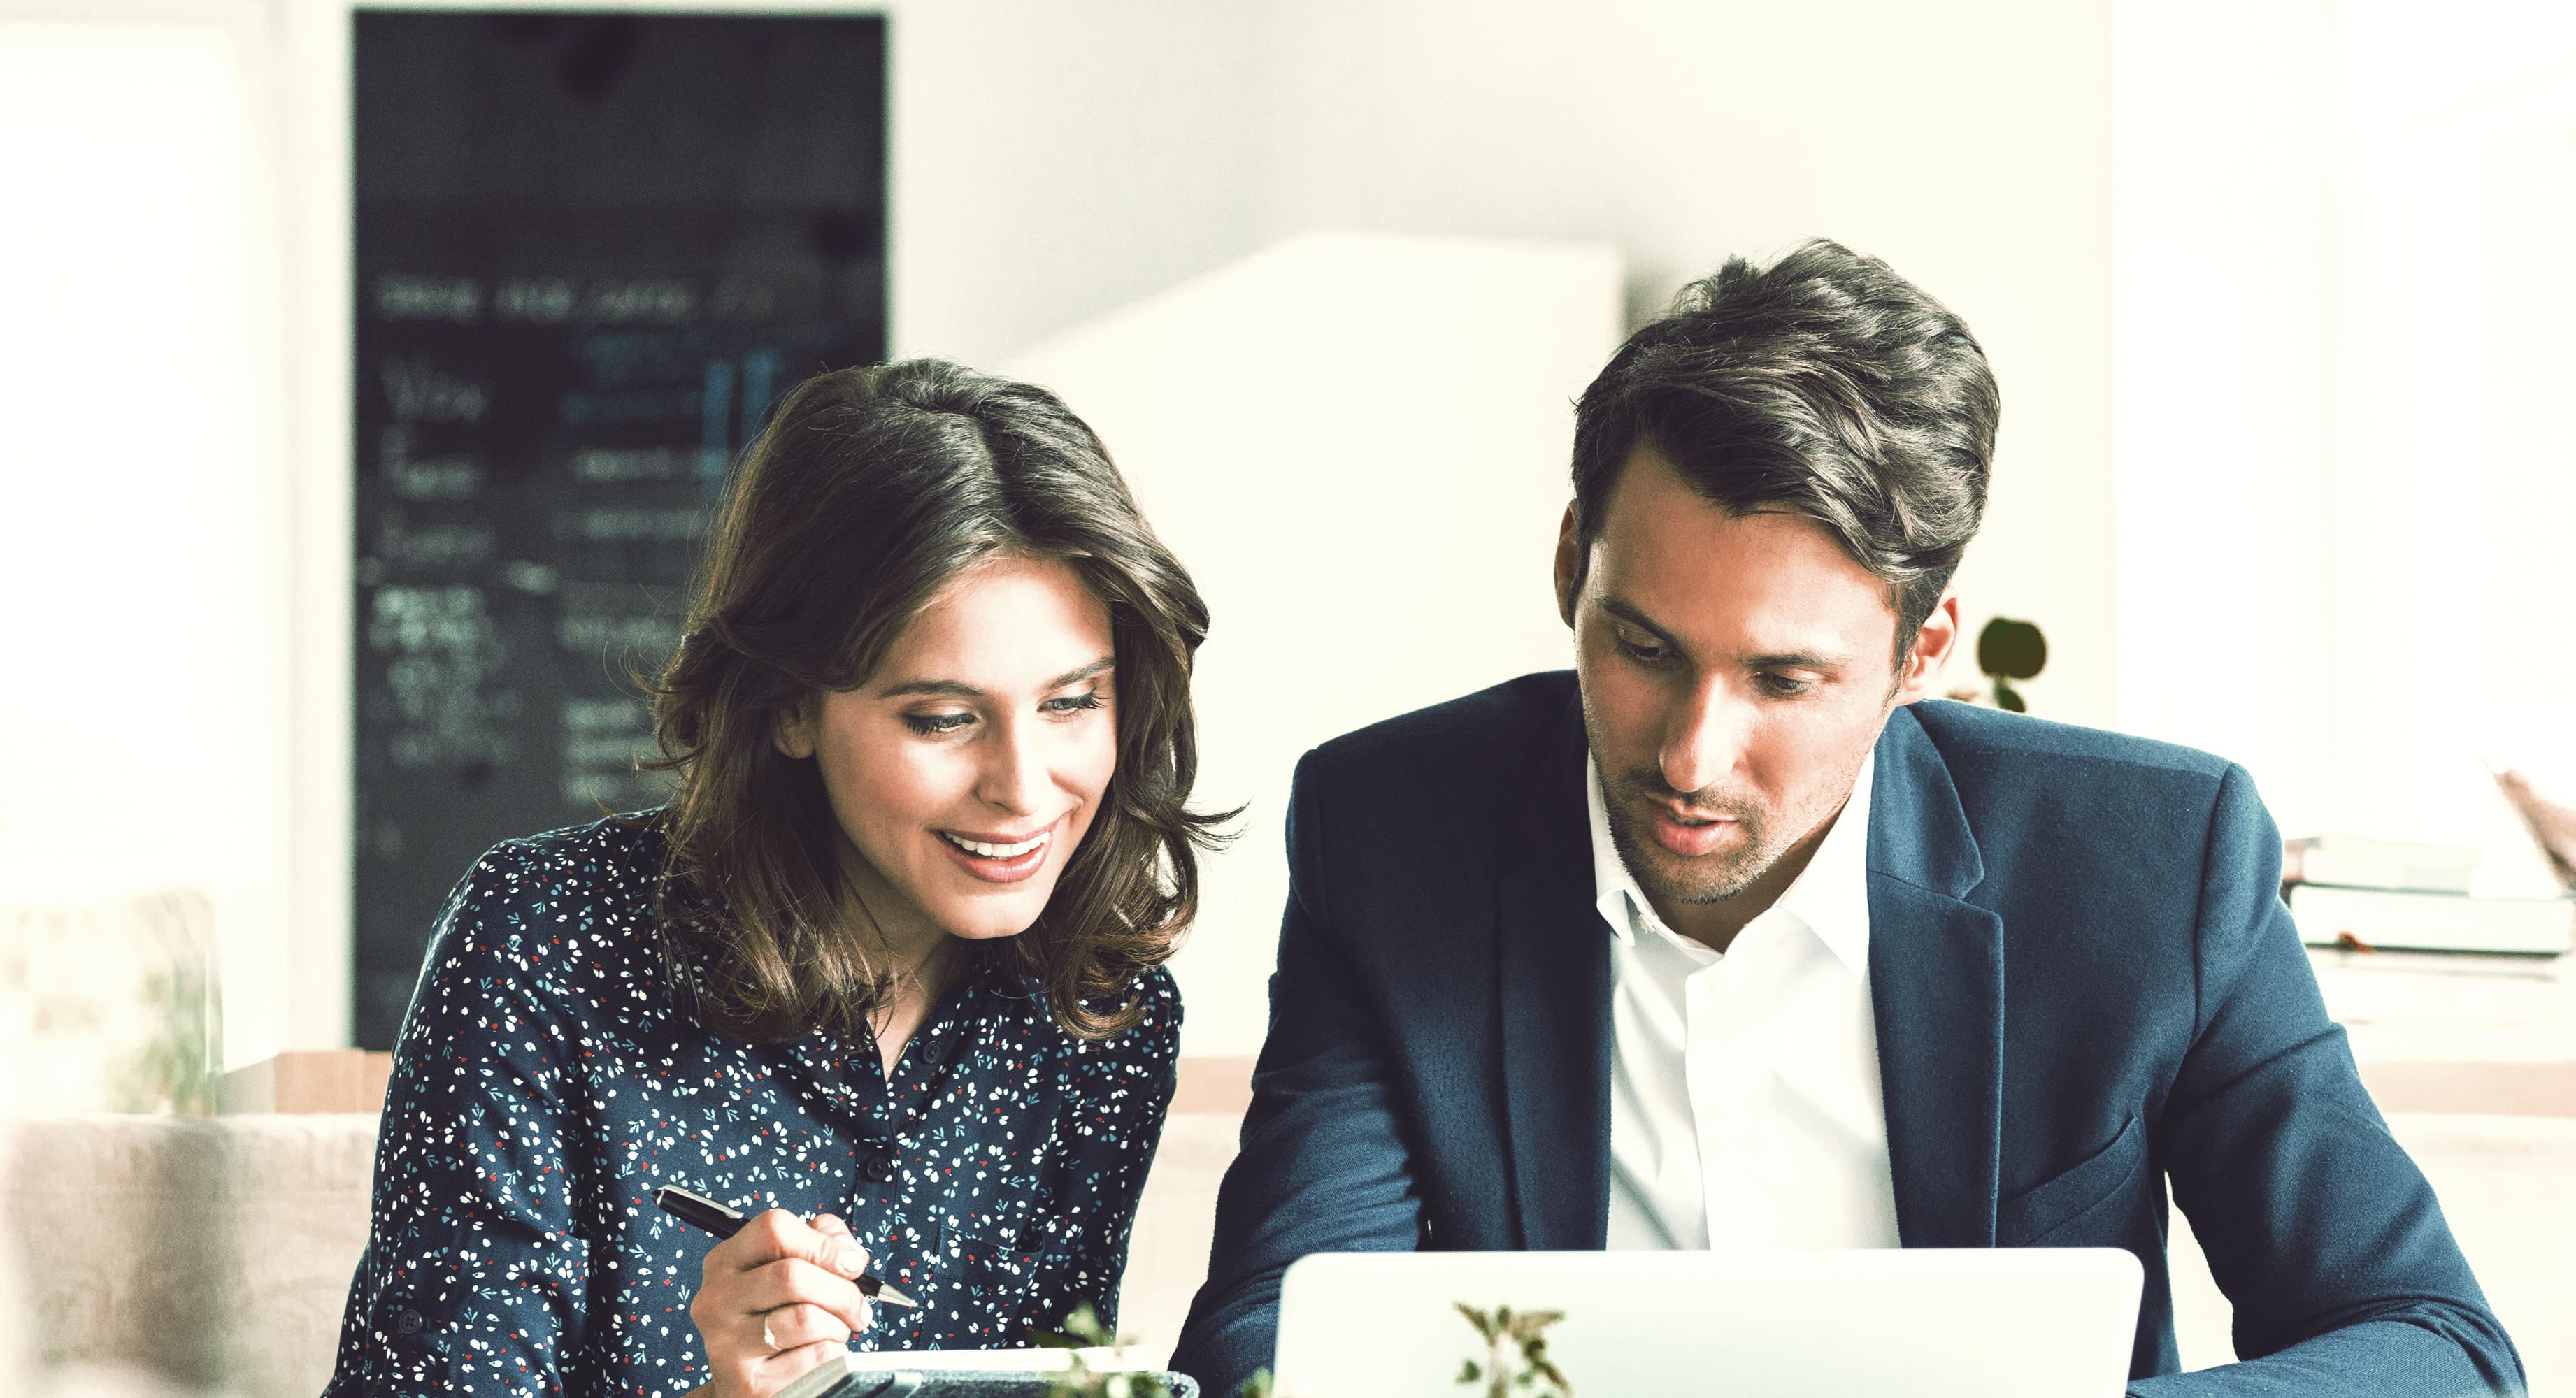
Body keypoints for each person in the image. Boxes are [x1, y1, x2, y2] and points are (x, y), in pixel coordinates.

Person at [1171, 242, 2521, 1397]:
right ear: (1573, 557)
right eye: (1642, 648)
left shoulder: (2155, 865)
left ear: (1921, 647)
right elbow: (1274, 1334)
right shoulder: (1393, 827)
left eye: (1784, 680)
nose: (1692, 753)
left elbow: (2431, 1344)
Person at [328, 359, 1227, 1397]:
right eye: (942, 719)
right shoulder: (542, 946)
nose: (1024, 790)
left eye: (1073, 703)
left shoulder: (1105, 1022)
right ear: (787, 708)